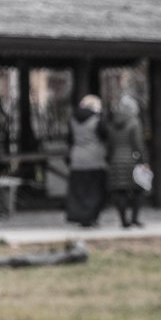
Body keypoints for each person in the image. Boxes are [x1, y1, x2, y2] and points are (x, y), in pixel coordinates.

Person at [65, 94, 108, 228]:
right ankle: (91, 217)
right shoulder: (97, 120)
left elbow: (69, 140)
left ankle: (80, 217)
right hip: (94, 160)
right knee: (94, 191)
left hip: (77, 159)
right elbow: (105, 135)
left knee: (79, 191)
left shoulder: (72, 120)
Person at [107, 95, 146, 228]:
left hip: (116, 161)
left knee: (120, 191)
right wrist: (143, 159)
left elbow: (110, 144)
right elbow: (138, 144)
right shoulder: (135, 122)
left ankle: (124, 220)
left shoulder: (113, 123)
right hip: (132, 161)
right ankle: (135, 218)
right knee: (139, 189)